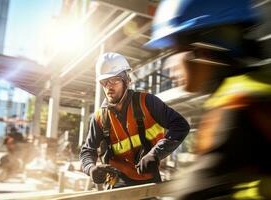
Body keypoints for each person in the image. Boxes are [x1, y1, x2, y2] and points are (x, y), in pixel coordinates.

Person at [146, 0, 271, 199]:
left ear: (203, 47)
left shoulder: (239, 104)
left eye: (175, 50)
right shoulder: (255, 89)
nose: (168, 67)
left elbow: (192, 193)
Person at [80, 52, 190, 188]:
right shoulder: (99, 118)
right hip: (116, 182)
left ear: (127, 80)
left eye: (114, 80)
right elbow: (87, 150)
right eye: (104, 82)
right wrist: (90, 168)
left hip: (148, 178)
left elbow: (180, 125)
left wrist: (156, 154)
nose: (109, 86)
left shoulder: (147, 102)